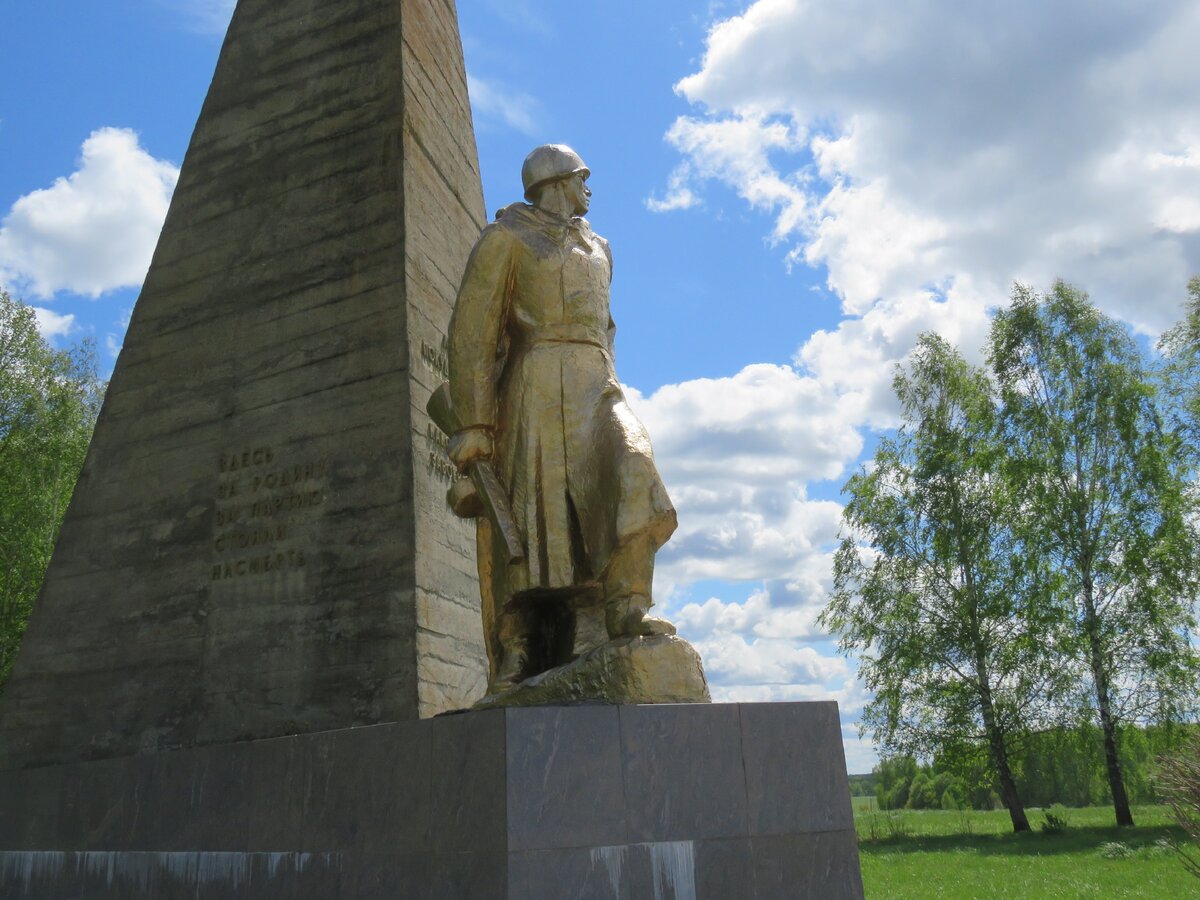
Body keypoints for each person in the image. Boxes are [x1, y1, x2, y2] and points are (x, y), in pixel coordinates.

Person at [447, 144, 677, 694]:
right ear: (556, 182)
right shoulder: (507, 238)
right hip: (535, 385)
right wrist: (476, 424)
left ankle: (627, 606)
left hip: (597, 386)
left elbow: (609, 327)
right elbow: (472, 332)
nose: (589, 187)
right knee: (534, 527)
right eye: (582, 177)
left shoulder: (600, 246)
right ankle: (519, 645)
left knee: (634, 468)